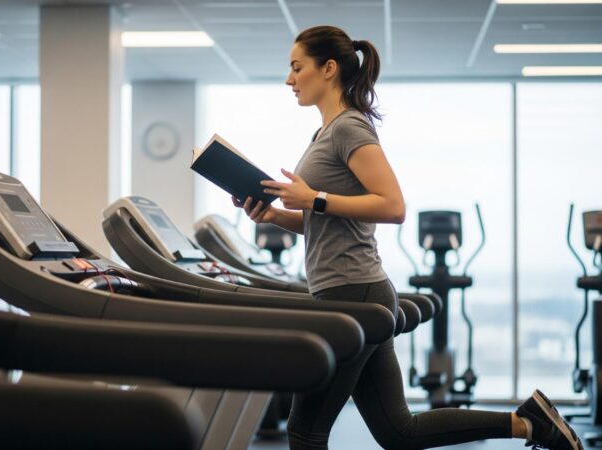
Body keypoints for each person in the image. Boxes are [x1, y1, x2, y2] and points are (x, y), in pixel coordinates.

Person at [232, 25, 582, 450]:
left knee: (306, 430)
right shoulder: (322, 133)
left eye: (296, 67)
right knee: (398, 431)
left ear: (328, 68)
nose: (289, 79)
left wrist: (315, 198)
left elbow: (393, 206)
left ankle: (531, 423)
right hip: (353, 291)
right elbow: (327, 223)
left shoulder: (348, 128)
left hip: (353, 293)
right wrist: (274, 215)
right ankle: (530, 423)